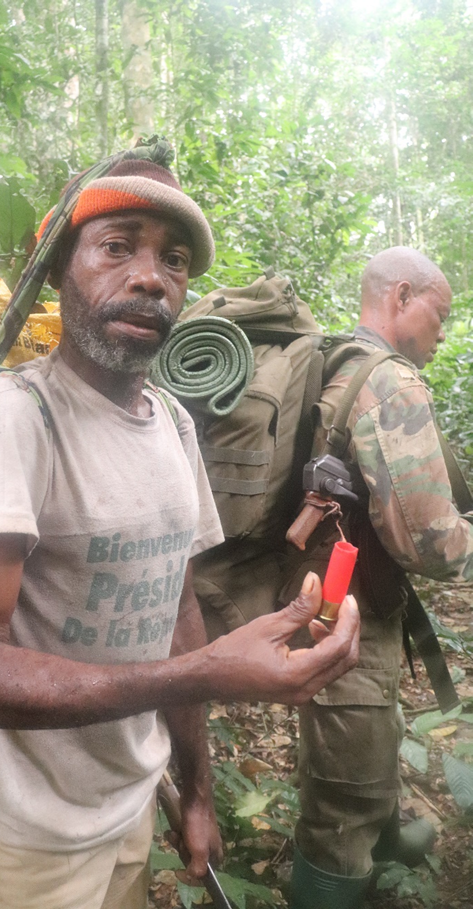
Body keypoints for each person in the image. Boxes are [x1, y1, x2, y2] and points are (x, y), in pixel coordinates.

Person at [0, 157, 360, 909]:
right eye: (117, 246)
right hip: (26, 832)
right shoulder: (9, 420)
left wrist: (196, 791)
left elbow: (178, 610)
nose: (151, 278)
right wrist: (212, 673)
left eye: (175, 259)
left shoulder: (173, 423)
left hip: (132, 801)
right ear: (59, 266)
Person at [281, 246, 473, 909]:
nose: (443, 331)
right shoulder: (389, 383)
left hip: (335, 600)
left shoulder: (338, 360)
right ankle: (340, 874)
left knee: (370, 742)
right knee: (345, 798)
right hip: (344, 619)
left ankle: (382, 843)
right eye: (439, 314)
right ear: (401, 296)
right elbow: (433, 545)